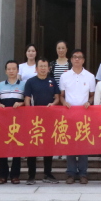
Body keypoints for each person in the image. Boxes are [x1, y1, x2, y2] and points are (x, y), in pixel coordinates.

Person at [59, 49, 95, 184]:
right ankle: (71, 173)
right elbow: (61, 96)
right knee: (70, 145)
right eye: (75, 57)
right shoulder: (65, 76)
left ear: (83, 60)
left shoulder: (90, 76)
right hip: (69, 115)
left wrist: (89, 102)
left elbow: (92, 95)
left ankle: (83, 173)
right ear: (71, 59)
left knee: (83, 144)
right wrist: (64, 103)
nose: (77, 59)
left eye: (80, 57)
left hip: (84, 115)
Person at [23, 57, 61, 185]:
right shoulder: (30, 82)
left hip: (49, 119)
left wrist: (53, 104)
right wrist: (29, 114)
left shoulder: (52, 81)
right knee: (32, 147)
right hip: (34, 120)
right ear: (36, 68)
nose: (43, 68)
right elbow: (27, 99)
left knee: (48, 147)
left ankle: (47, 174)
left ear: (48, 68)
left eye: (45, 66)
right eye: (41, 66)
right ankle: (31, 176)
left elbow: (57, 98)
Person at [0, 60, 25, 184]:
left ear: (18, 70)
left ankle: (15, 175)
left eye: (14, 69)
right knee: (3, 147)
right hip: (3, 121)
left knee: (17, 148)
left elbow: (27, 101)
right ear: (5, 71)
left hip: (18, 121)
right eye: (9, 69)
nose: (11, 71)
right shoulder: (0, 85)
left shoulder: (23, 85)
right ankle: (3, 175)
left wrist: (21, 103)